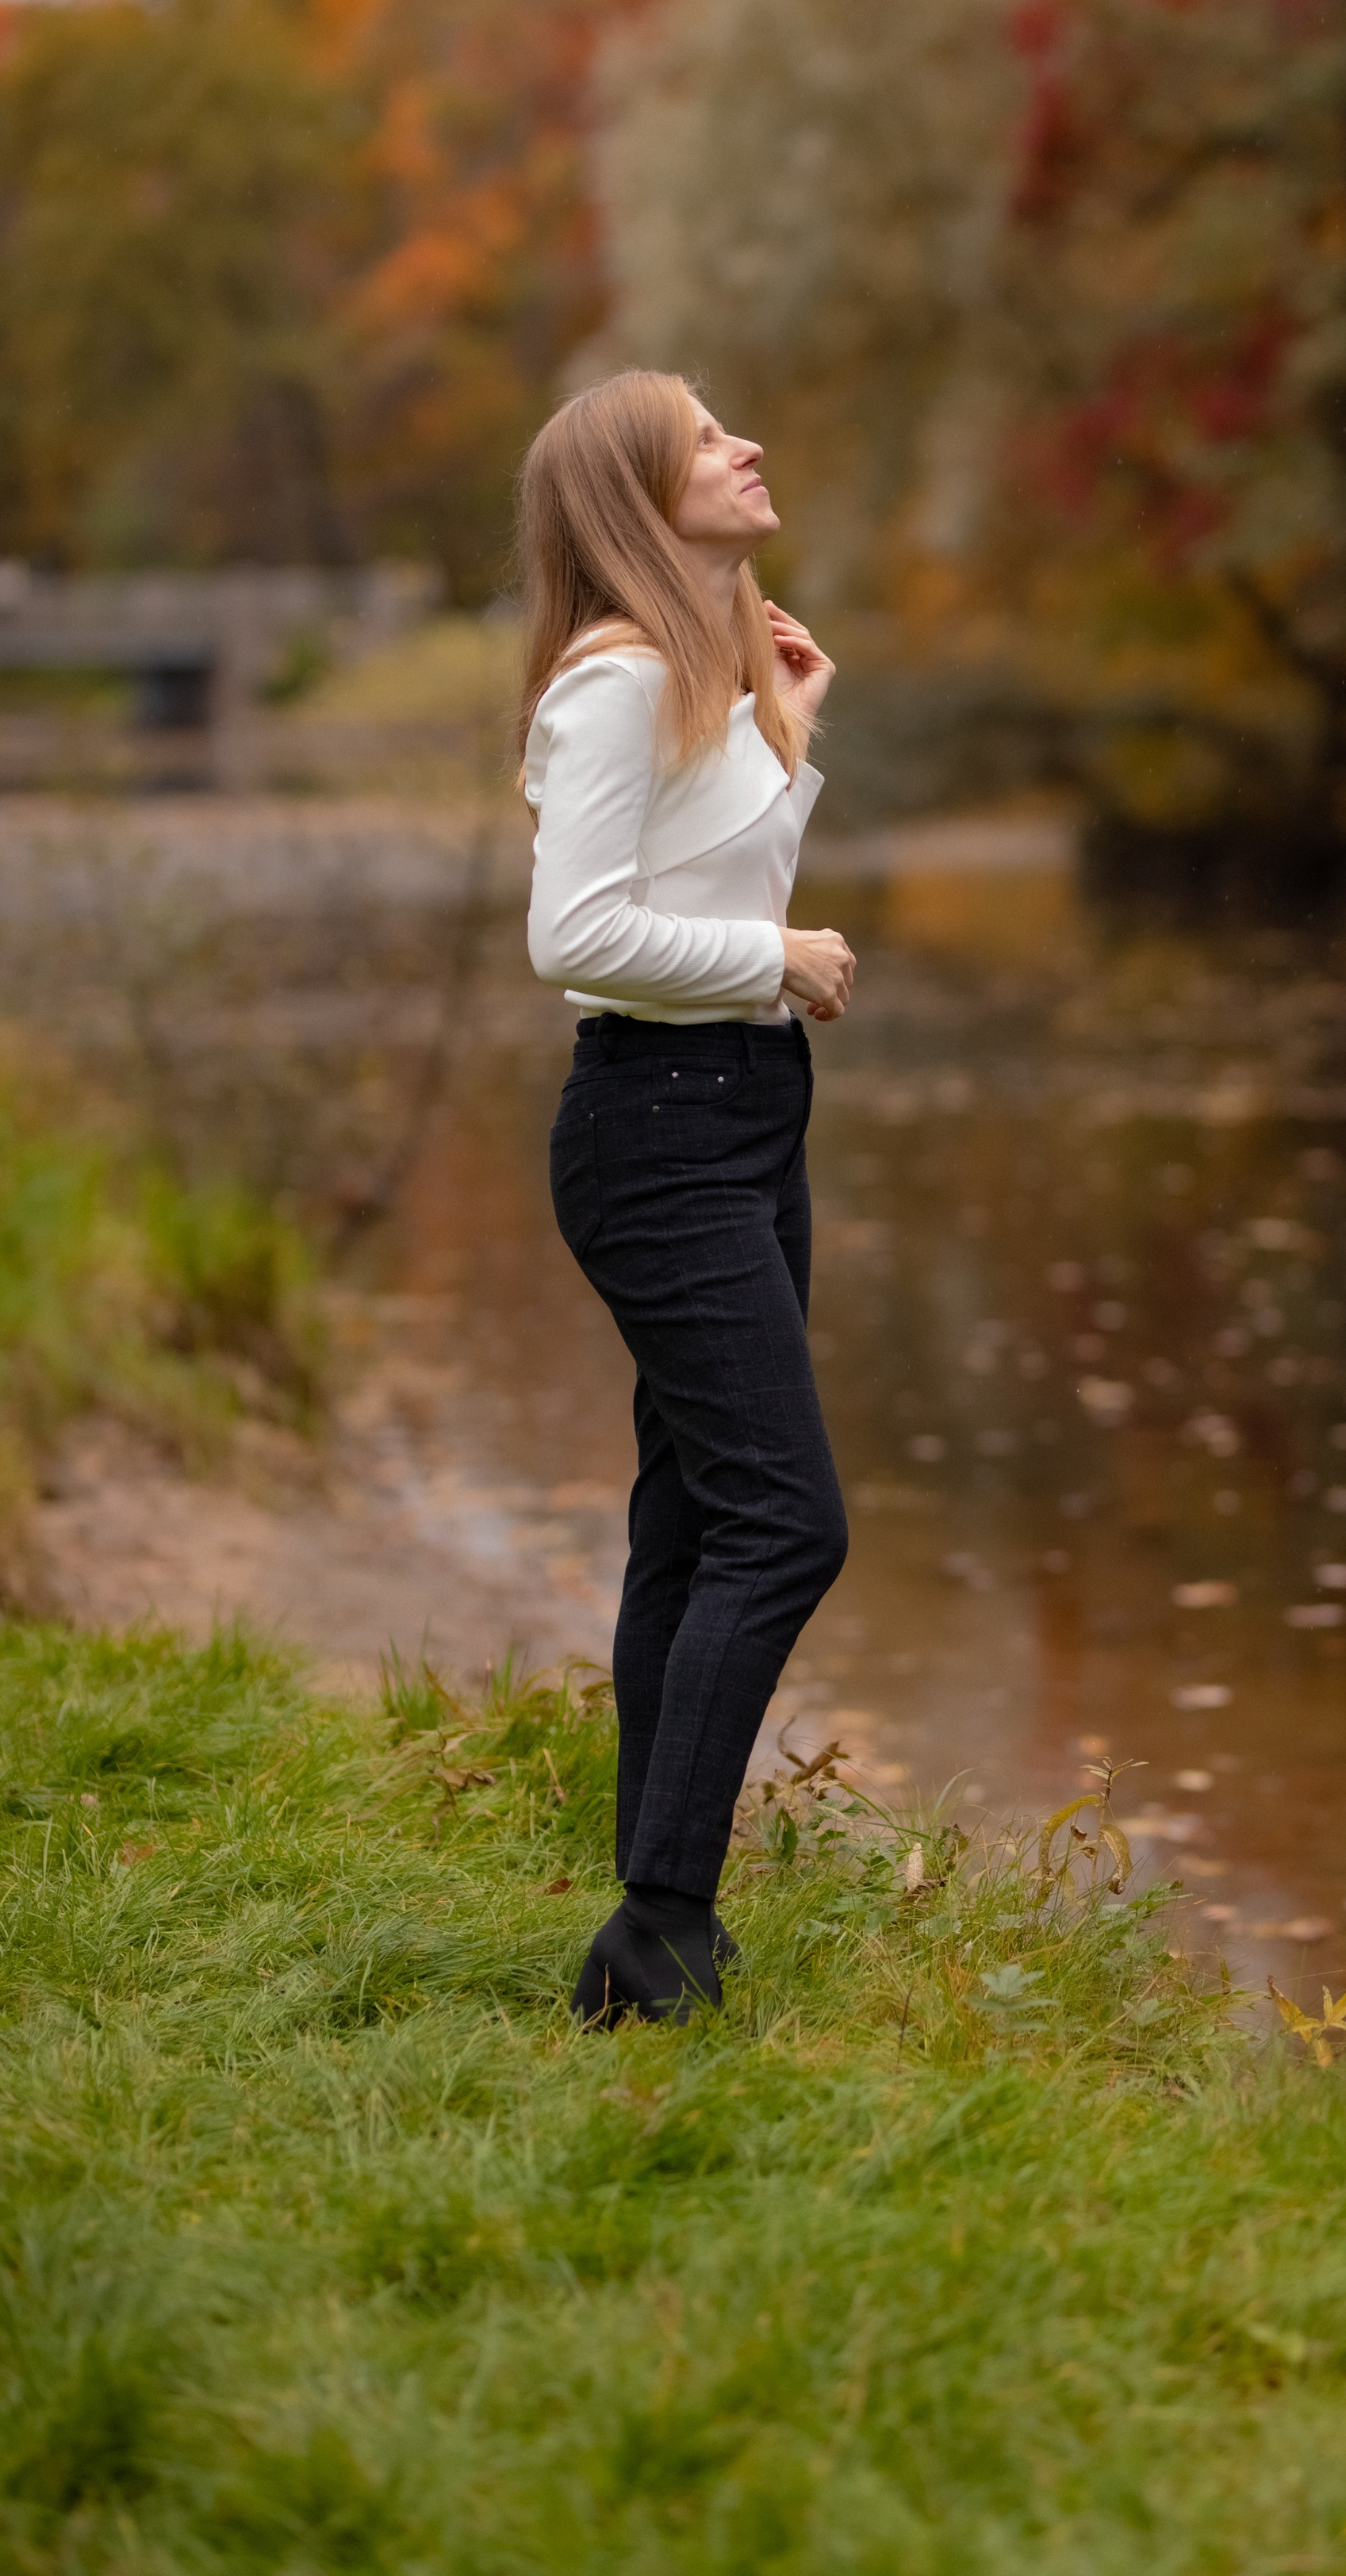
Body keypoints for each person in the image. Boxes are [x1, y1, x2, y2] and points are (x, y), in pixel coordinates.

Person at [516, 368, 856, 2025]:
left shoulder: (698, 681)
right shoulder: (611, 685)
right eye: (706, 438)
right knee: (787, 1523)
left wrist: (791, 726)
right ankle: (658, 1928)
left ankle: (654, 1926)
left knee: (696, 1518)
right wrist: (774, 959)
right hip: (656, 1127)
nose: (746, 444)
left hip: (738, 1111)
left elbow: (706, 880)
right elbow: (573, 938)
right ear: (637, 501)